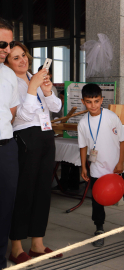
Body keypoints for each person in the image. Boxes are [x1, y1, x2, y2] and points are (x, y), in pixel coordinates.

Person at [5, 41, 62, 264]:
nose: (22, 60)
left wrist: (46, 91)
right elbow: (22, 116)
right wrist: (32, 88)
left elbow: (56, 108)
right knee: (24, 192)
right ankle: (16, 247)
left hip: (47, 137)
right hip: (25, 138)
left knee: (42, 191)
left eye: (23, 55)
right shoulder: (9, 81)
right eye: (16, 57)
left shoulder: (35, 77)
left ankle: (37, 243)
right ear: (8, 62)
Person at [78, 84, 124, 247]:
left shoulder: (111, 116)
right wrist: (83, 167)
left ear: (102, 100)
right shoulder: (82, 124)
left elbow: (122, 140)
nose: (93, 105)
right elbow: (83, 146)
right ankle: (99, 228)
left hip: (119, 166)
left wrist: (121, 161)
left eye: (96, 101)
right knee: (97, 199)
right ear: (83, 102)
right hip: (98, 167)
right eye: (89, 101)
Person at [0, 17, 20, 269]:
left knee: (5, 208)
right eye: (2, 43)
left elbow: (12, 111)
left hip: (7, 148)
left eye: (10, 43)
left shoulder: (9, 74)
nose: (6, 48)